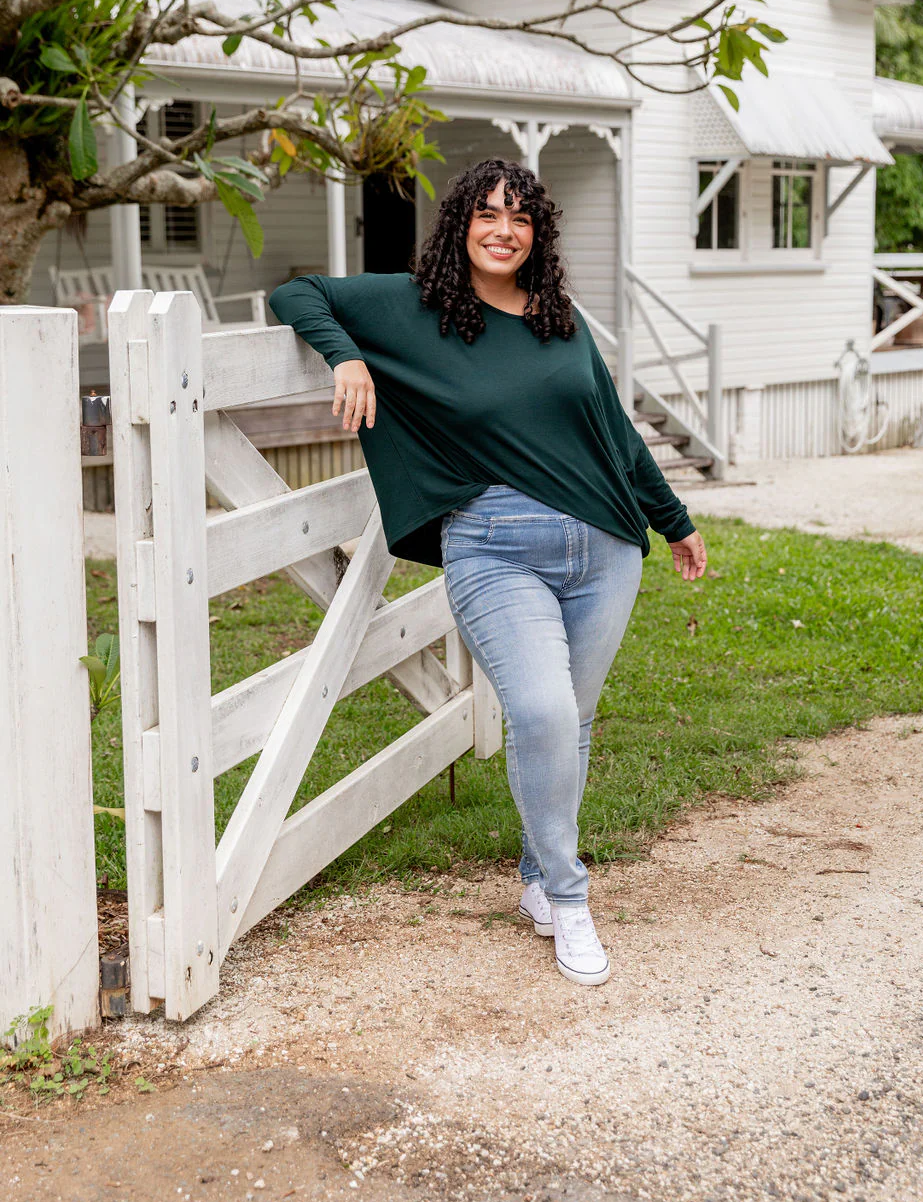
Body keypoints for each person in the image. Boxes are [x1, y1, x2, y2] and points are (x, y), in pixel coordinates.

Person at [269, 158, 707, 987]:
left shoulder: (560, 319)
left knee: (571, 720)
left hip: (605, 546)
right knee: (540, 712)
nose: (504, 231)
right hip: (495, 546)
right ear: (460, 225)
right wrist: (346, 359)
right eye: (487, 215)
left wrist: (672, 521)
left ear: (537, 232)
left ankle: (539, 880)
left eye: (521, 218)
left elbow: (614, 433)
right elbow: (299, 294)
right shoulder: (415, 308)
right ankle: (570, 898)